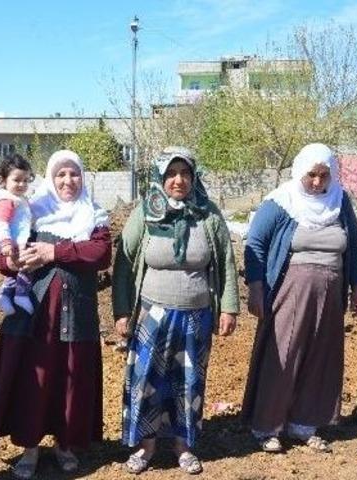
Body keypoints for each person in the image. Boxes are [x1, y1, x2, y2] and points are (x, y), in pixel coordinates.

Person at [0, 150, 111, 479]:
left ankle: (65, 445)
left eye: (74, 174)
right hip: (34, 317)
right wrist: (12, 261)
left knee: (70, 379)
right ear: (51, 179)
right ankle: (29, 449)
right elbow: (2, 255)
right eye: (60, 175)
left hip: (76, 315)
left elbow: (100, 254)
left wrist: (54, 251)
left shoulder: (93, 215)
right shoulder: (31, 210)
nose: (68, 181)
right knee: (34, 381)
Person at [112, 147, 240, 475]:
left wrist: (228, 308)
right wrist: (122, 311)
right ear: (160, 177)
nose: (178, 180)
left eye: (184, 173)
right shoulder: (146, 212)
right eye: (171, 174)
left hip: (196, 316)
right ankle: (145, 446)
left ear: (193, 177)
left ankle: (183, 447)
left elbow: (225, 260)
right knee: (147, 380)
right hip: (152, 315)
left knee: (189, 382)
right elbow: (124, 262)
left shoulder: (208, 214)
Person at [242, 143, 357, 454]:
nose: (317, 182)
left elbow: (354, 245)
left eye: (324, 175)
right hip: (291, 289)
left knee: (320, 356)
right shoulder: (281, 202)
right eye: (311, 175)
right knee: (283, 354)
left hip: (331, 291)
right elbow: (255, 243)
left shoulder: (340, 201)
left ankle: (304, 423)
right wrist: (255, 287)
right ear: (300, 171)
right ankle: (268, 425)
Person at [0, 153, 35, 315]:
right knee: (29, 265)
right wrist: (6, 242)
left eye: (26, 180)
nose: (22, 184)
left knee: (16, 273)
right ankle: (21, 295)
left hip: (15, 241)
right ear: (3, 179)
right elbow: (2, 222)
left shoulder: (18, 198)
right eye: (16, 180)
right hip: (9, 242)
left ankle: (4, 294)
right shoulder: (6, 200)